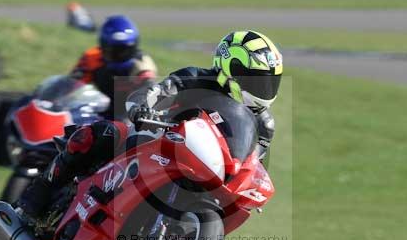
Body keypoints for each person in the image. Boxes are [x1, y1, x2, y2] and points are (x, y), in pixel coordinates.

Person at [18, 29, 282, 220]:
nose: (264, 89)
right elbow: (157, 90)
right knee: (103, 133)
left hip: (204, 174)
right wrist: (144, 106)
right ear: (230, 68)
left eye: (270, 81)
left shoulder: (264, 124)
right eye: (257, 79)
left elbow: (251, 162)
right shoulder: (195, 78)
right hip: (154, 141)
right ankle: (40, 192)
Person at [68, 15, 157, 118]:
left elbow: (148, 92)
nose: (119, 55)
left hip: (129, 116)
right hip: (98, 112)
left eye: (124, 50)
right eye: (113, 50)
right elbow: (72, 85)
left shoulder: (142, 64)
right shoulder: (92, 57)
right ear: (102, 46)